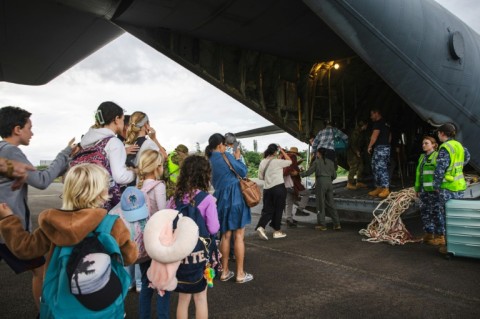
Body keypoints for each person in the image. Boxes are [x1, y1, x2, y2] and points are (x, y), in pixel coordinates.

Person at [0, 164, 138, 316]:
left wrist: (8, 219)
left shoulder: (53, 224)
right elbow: (130, 257)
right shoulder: (112, 224)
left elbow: (25, 248)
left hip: (61, 303)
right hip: (104, 305)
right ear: (101, 192)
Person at [0, 106, 74, 311]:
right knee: (41, 271)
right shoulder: (11, 151)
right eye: (29, 127)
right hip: (9, 229)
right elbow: (42, 180)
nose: (32, 132)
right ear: (17, 129)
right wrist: (64, 153)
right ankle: (46, 313)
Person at [167, 155, 220, 319]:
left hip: (180, 255)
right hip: (200, 257)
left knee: (183, 298)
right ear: (205, 175)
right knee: (201, 297)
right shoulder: (208, 199)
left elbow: (168, 223)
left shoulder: (174, 199)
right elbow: (213, 228)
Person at [205, 133, 253, 284]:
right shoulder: (225, 155)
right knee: (239, 235)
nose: (226, 147)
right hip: (235, 197)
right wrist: (238, 157)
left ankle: (224, 271)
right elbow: (243, 171)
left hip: (220, 199)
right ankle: (240, 273)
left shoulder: (209, 161)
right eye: (225, 144)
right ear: (220, 145)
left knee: (225, 236)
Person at [78, 101, 136, 209]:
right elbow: (120, 177)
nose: (123, 124)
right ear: (116, 119)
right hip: (102, 203)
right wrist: (135, 173)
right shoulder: (113, 142)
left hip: (83, 199)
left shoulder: (87, 142)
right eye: (123, 120)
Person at [137, 149, 170, 319]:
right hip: (158, 242)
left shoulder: (138, 188)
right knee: (163, 285)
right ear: (157, 166)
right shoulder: (159, 186)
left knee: (146, 283)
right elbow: (164, 214)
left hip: (143, 241)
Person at [433, 123, 470, 253]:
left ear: (442, 133)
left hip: (447, 188)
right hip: (459, 186)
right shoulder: (459, 145)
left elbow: (440, 169)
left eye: (438, 133)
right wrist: (456, 168)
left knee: (447, 217)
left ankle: (450, 247)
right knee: (457, 216)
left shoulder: (445, 148)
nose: (437, 135)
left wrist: (436, 185)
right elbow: (467, 157)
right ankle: (460, 244)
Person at [256, 144, 291, 239]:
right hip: (278, 188)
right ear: (275, 152)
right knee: (279, 209)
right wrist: (282, 151)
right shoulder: (278, 161)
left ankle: (261, 226)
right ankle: (277, 231)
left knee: (267, 209)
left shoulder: (263, 162)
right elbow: (289, 161)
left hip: (267, 189)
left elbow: (260, 177)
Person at [300, 148, 341, 231]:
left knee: (320, 204)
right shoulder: (331, 162)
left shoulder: (317, 162)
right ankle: (337, 224)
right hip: (329, 183)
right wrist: (329, 179)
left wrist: (300, 174)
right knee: (331, 204)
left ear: (319, 153)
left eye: (317, 153)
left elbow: (309, 172)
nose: (316, 154)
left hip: (320, 182)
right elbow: (335, 175)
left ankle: (322, 225)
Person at [414, 136, 441, 245]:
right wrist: (417, 188)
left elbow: (439, 173)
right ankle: (429, 233)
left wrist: (438, 187)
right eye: (423, 143)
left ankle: (440, 236)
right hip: (424, 190)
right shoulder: (422, 157)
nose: (423, 145)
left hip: (434, 190)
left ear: (434, 145)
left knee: (436, 212)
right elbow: (419, 174)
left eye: (426, 143)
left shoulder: (437, 156)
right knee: (425, 211)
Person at [367, 108, 392, 198]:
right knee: (375, 166)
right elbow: (389, 136)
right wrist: (387, 145)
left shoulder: (378, 123)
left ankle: (385, 188)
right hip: (385, 147)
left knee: (381, 168)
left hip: (380, 148)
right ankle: (379, 187)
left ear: (376, 113)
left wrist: (369, 146)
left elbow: (374, 136)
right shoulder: (386, 123)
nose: (371, 117)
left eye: (372, 114)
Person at [283, 147, 310, 226]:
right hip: (292, 184)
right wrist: (298, 172)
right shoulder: (292, 157)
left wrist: (298, 163)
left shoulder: (284, 158)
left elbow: (291, 165)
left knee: (289, 202)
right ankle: (300, 209)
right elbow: (292, 170)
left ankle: (289, 219)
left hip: (285, 184)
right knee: (306, 193)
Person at [346, 120, 368, 190]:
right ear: (363, 125)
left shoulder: (361, 132)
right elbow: (352, 144)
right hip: (352, 153)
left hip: (358, 152)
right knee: (353, 167)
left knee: (361, 166)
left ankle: (359, 182)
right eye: (366, 125)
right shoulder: (356, 133)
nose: (366, 126)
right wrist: (356, 151)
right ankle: (350, 183)